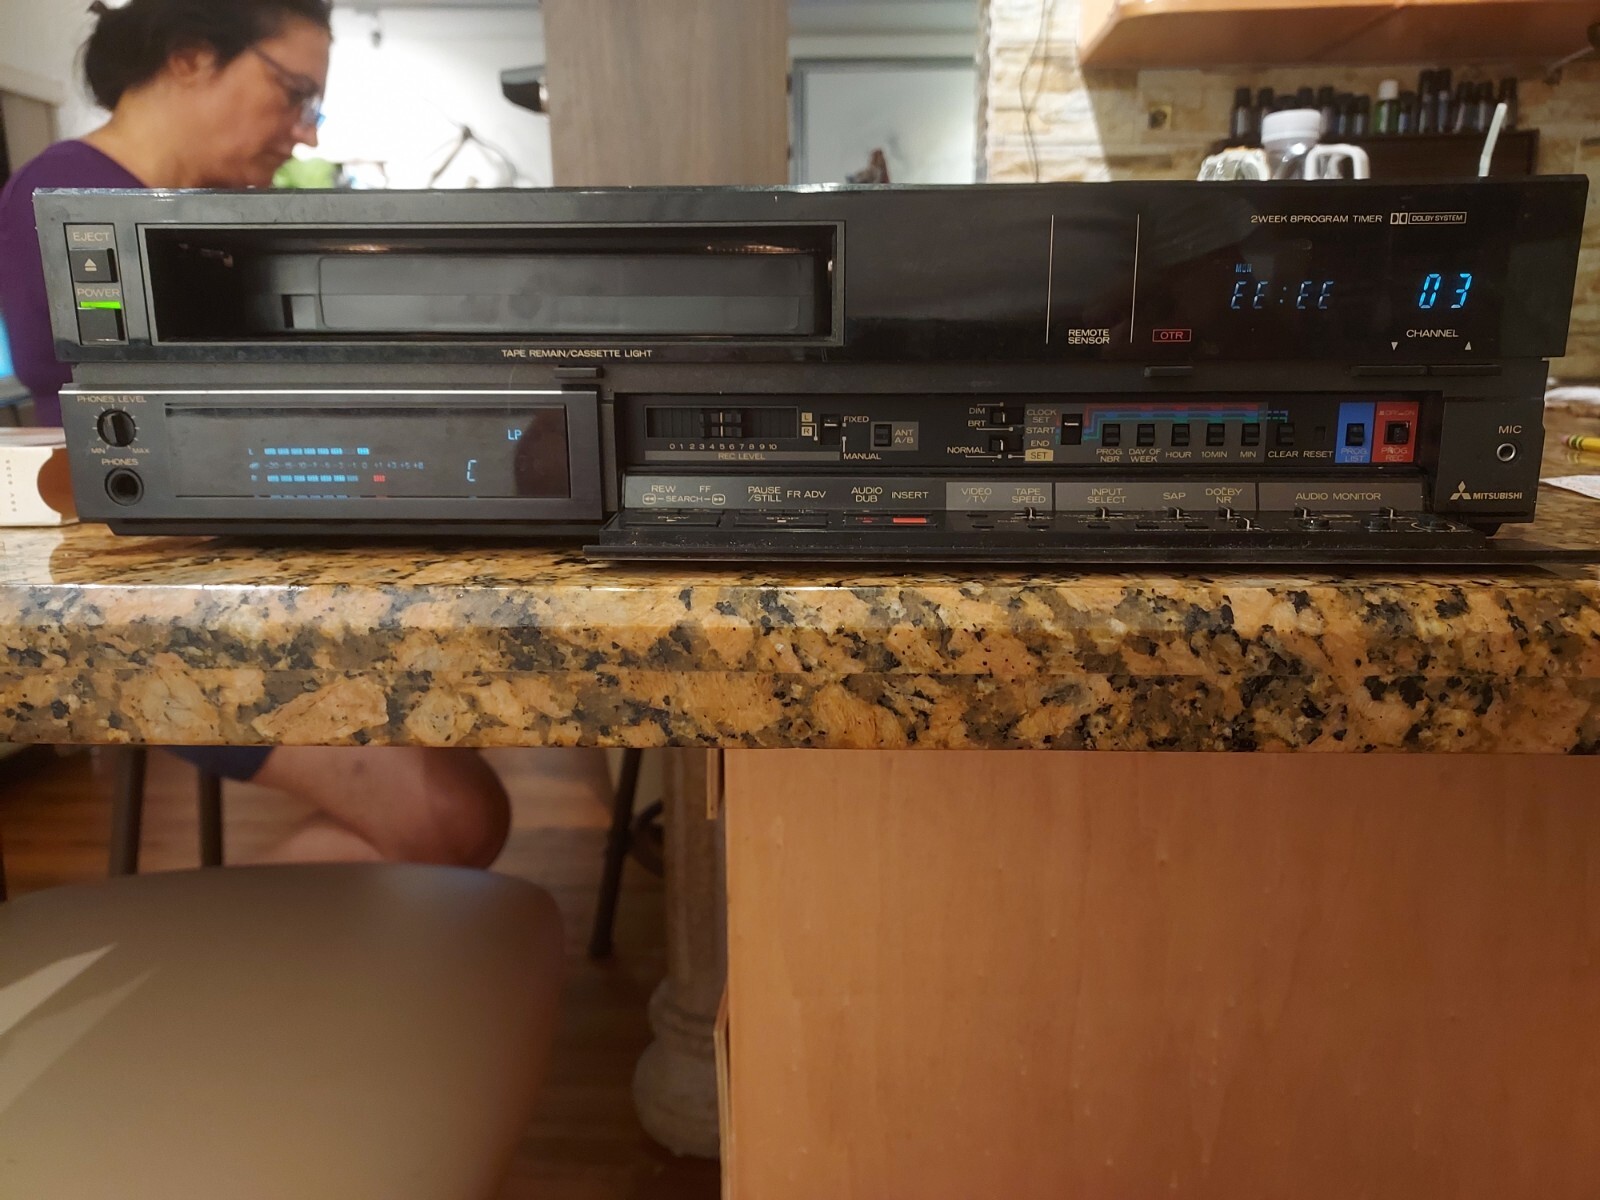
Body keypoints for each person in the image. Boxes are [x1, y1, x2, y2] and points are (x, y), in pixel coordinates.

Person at [0, 0, 568, 868]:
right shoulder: (66, 198)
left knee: (459, 753)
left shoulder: (210, 211)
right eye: (295, 92)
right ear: (190, 57)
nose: (306, 132)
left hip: (261, 580)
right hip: (166, 617)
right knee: (453, 815)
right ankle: (198, 957)